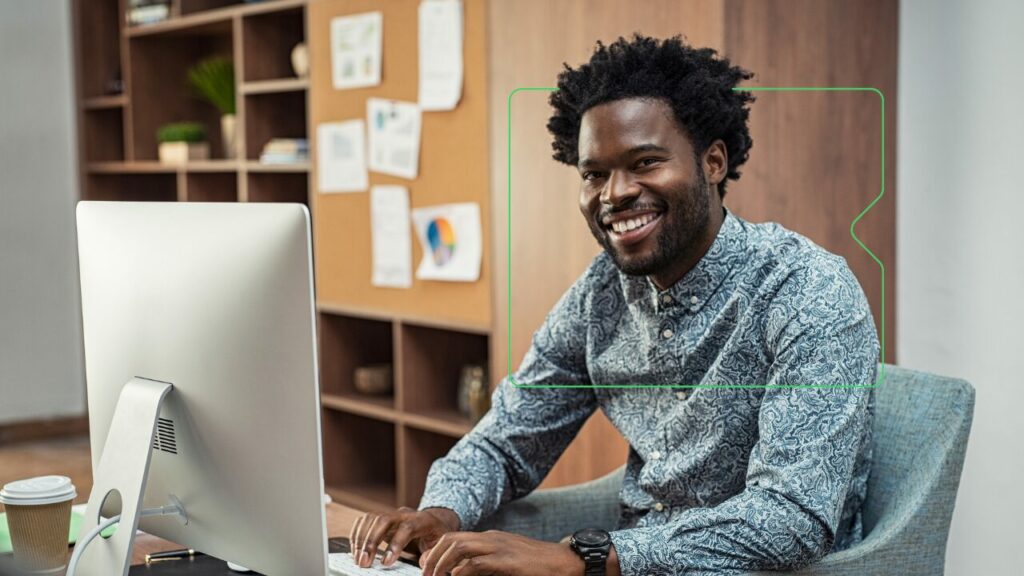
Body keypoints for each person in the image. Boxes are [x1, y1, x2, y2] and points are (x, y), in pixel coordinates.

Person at [349, 35, 879, 576]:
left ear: (713, 162)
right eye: (594, 174)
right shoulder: (602, 294)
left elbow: (792, 518)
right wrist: (443, 510)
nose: (613, 194)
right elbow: (510, 436)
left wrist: (589, 559)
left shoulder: (807, 290)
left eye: (645, 162)